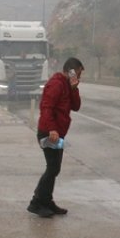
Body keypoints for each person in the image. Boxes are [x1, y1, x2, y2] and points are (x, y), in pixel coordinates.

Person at [29, 57, 83, 218]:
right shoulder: (56, 84)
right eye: (77, 74)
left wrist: (74, 88)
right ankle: (36, 202)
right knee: (52, 168)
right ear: (70, 71)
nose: (79, 77)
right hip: (48, 133)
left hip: (58, 134)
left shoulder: (68, 86)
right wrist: (52, 128)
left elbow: (76, 106)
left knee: (55, 168)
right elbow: (46, 107)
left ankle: (47, 201)